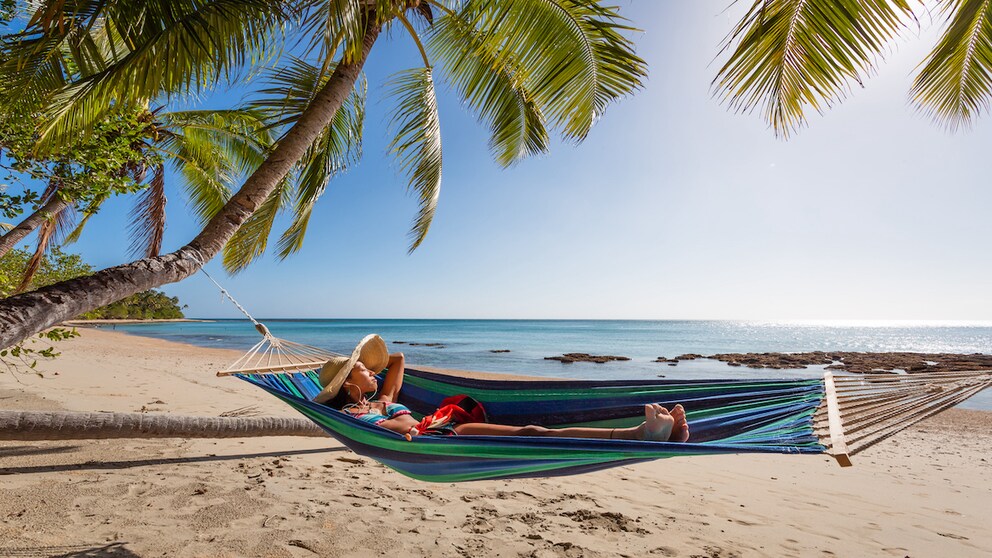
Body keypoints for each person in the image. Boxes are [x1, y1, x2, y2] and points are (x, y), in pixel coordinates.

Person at [313, 334, 689, 442]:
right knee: (533, 433)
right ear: (347, 385)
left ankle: (646, 434)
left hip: (439, 427)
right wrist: (397, 422)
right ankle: (638, 434)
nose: (372, 372)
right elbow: (387, 431)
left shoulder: (383, 398)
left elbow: (396, 359)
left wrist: (365, 366)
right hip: (438, 440)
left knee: (531, 430)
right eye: (363, 370)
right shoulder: (353, 414)